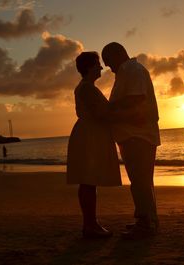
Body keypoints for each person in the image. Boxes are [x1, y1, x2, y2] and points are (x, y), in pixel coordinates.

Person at [102, 42, 161, 239]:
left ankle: (146, 223)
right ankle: (147, 219)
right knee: (141, 180)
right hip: (133, 134)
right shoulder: (128, 72)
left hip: (138, 135)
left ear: (117, 55)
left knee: (140, 180)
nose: (109, 68)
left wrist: (108, 109)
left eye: (108, 61)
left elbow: (135, 98)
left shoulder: (133, 70)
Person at [67, 51, 121, 239]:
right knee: (89, 181)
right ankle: (90, 225)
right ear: (90, 67)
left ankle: (90, 224)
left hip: (87, 134)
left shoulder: (84, 87)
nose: (101, 67)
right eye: (97, 64)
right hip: (90, 135)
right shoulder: (87, 88)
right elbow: (101, 114)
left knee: (88, 181)